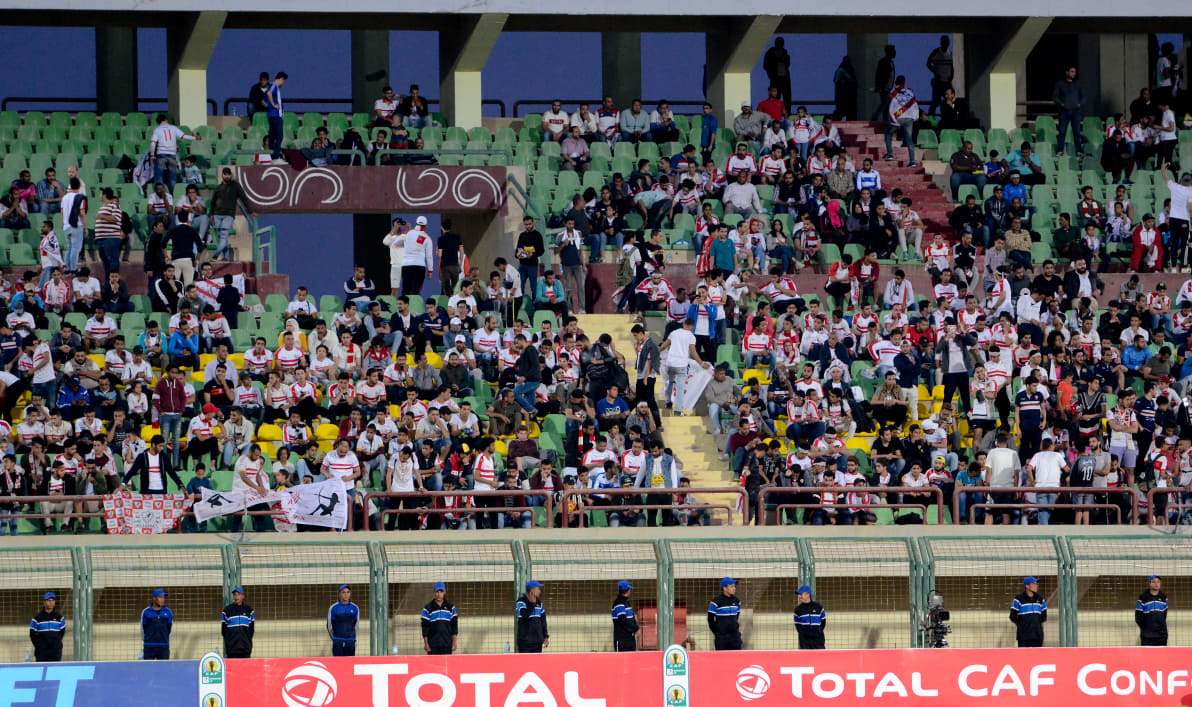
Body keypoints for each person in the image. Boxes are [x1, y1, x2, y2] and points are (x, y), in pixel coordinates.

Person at [884, 75, 918, 166]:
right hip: (909, 118)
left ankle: (890, 154)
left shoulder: (893, 92)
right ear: (904, 82)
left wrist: (893, 119)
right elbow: (915, 105)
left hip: (898, 118)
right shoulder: (910, 92)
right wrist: (915, 117)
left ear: (896, 82)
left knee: (888, 133)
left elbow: (891, 106)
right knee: (909, 139)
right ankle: (912, 161)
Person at [1052, 67, 1086, 156]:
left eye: (1074, 72)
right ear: (1067, 72)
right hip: (1064, 111)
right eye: (1071, 71)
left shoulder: (1078, 84)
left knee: (1077, 132)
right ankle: (1060, 150)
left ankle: (1079, 151)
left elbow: (1084, 97)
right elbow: (1055, 97)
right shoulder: (1060, 84)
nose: (1073, 73)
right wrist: (1062, 104)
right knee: (1062, 131)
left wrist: (1079, 104)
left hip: (1076, 111)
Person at [421, 581, 458, 655]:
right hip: (433, 645)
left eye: (441, 591)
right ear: (434, 592)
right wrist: (426, 643)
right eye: (437, 591)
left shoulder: (450, 607)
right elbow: (425, 627)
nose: (439, 594)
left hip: (447, 644)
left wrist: (454, 642)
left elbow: (454, 625)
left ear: (445, 592)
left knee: (446, 666)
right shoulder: (428, 608)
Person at [1009, 576, 1046, 647]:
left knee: (1037, 657)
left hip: (1037, 635)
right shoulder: (1018, 599)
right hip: (1023, 636)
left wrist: (1036, 624)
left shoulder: (1040, 599)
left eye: (1036, 584)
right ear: (1027, 586)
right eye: (1033, 584)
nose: (1036, 586)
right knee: (1023, 657)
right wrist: (1022, 625)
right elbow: (1012, 616)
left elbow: (1044, 616)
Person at [29, 591, 65, 662]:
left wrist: (55, 644)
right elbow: (32, 635)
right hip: (41, 652)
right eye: (48, 600)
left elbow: (62, 633)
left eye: (53, 600)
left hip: (55, 652)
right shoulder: (37, 618)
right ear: (44, 602)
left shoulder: (59, 617)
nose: (51, 602)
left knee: (55, 670)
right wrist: (39, 646)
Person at [708, 577, 742, 650]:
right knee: (721, 660)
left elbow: (736, 617)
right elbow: (710, 619)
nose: (734, 588)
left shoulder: (737, 601)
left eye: (734, 586)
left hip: (735, 638)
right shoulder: (715, 602)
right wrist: (718, 633)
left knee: (736, 660)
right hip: (721, 639)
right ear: (724, 588)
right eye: (731, 586)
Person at [221, 586, 255, 659]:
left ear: (243, 596)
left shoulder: (249, 611)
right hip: (232, 649)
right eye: (235, 594)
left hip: (245, 649)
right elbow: (223, 631)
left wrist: (246, 642)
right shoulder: (227, 610)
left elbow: (251, 630)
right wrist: (229, 642)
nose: (236, 596)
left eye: (238, 594)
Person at [515, 580, 549, 653]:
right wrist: (532, 604)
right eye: (538, 589)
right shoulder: (521, 602)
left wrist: (545, 636)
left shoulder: (539, 603)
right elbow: (525, 615)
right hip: (525, 643)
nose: (540, 591)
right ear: (532, 590)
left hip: (537, 642)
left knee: (537, 663)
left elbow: (543, 621)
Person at [327, 584, 359, 656]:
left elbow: (356, 625)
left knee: (350, 663)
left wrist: (352, 636)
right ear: (339, 594)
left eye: (348, 592)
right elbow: (329, 625)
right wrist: (336, 638)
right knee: (337, 664)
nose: (346, 595)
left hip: (350, 641)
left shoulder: (355, 608)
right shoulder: (333, 608)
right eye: (343, 592)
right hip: (337, 641)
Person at [1135, 574, 1168, 646]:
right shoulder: (1143, 597)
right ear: (1149, 583)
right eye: (1154, 582)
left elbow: (1164, 614)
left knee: (1161, 655)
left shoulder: (1163, 597)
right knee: (1146, 656)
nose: (1156, 584)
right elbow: (1138, 616)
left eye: (1158, 582)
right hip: (1147, 636)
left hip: (1161, 635)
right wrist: (1145, 629)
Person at [141, 588, 173, 660]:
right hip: (149, 647)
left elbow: (170, 628)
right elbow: (143, 629)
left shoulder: (168, 612)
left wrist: (165, 640)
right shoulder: (146, 612)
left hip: (163, 647)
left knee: (164, 669)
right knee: (147, 668)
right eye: (160, 597)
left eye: (164, 597)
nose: (163, 599)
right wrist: (147, 640)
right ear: (154, 598)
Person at [793, 585, 826, 650]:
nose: (799, 596)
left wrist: (818, 631)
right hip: (805, 641)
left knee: (820, 658)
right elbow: (797, 625)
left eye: (801, 594)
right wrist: (803, 633)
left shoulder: (818, 607)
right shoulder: (797, 610)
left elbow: (823, 622)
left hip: (818, 639)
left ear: (807, 594)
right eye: (799, 594)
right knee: (805, 659)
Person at [265, 72, 287, 160]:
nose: (284, 84)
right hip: (275, 115)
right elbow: (269, 93)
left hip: (271, 115)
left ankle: (273, 156)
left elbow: (264, 100)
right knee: (279, 136)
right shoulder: (274, 86)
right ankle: (276, 157)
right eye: (284, 81)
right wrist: (274, 105)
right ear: (281, 79)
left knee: (272, 136)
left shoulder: (272, 86)